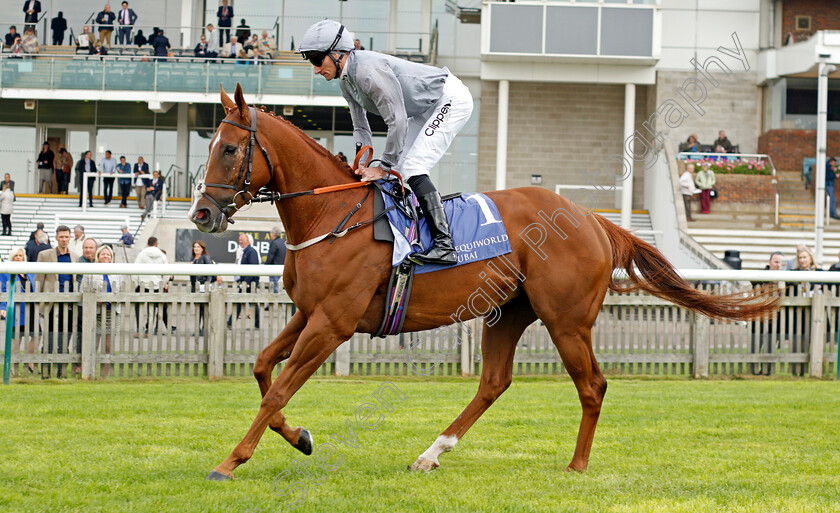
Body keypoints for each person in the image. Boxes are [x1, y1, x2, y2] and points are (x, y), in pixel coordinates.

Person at [299, 20, 474, 265]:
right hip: (422, 109)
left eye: (318, 60)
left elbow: (398, 122)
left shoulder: (367, 72)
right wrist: (362, 163)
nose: (316, 69)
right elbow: (361, 127)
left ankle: (445, 244)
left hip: (449, 99)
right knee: (394, 175)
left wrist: (383, 166)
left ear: (338, 53)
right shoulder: (345, 81)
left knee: (411, 168)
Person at [35, 225, 78, 379]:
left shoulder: (75, 256)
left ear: (70, 238)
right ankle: (46, 372)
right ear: (56, 237)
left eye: (66, 237)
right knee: (49, 338)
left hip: (69, 304)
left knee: (65, 338)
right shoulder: (45, 255)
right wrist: (40, 303)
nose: (64, 239)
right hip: (51, 305)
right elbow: (39, 280)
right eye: (61, 237)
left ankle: (61, 372)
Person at [81, 245, 120, 379]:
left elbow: (120, 291)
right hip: (95, 312)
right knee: (94, 344)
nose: (105, 256)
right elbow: (84, 290)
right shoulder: (91, 271)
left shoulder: (116, 272)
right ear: (98, 256)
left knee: (108, 345)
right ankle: (92, 372)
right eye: (103, 254)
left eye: (108, 255)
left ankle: (105, 374)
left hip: (112, 313)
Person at [0, 247, 36, 376]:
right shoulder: (6, 272)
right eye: (15, 256)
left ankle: (29, 361)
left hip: (31, 309)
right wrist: (3, 307)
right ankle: (13, 366)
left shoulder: (29, 272)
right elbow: (4, 289)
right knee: (16, 338)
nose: (18, 258)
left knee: (37, 334)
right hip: (16, 310)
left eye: (20, 255)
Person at [133, 236, 170, 336]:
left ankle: (139, 327)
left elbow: (135, 269)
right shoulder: (162, 255)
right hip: (156, 285)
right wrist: (162, 283)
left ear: (148, 244)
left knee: (138, 307)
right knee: (152, 308)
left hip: (142, 284)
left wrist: (136, 282)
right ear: (156, 244)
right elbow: (167, 272)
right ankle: (149, 328)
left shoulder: (142, 253)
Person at [228, 233, 260, 329]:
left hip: (249, 283)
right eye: (239, 239)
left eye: (242, 239)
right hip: (245, 282)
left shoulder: (251, 251)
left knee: (251, 303)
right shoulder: (244, 251)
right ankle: (231, 322)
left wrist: (246, 282)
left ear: (248, 241)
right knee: (244, 302)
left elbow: (252, 268)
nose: (240, 241)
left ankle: (231, 322)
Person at [190, 240, 221, 336]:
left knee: (204, 309)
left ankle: (204, 328)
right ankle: (198, 328)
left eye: (198, 247)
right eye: (195, 246)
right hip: (196, 286)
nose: (196, 248)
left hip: (204, 286)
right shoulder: (194, 259)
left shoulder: (205, 257)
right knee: (198, 309)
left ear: (202, 248)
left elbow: (210, 272)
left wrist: (207, 284)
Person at [265, 226, 286, 296]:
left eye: (271, 233)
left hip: (274, 268)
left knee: (274, 287)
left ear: (274, 234)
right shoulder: (283, 242)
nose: (270, 234)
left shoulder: (274, 243)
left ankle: (282, 301)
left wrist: (266, 266)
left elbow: (271, 256)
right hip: (282, 268)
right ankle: (268, 305)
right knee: (273, 287)